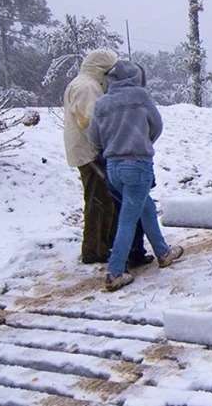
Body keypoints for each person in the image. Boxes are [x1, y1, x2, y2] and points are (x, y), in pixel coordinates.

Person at [88, 60, 184, 291]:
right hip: (137, 165)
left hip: (113, 167)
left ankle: (163, 253)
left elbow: (93, 137)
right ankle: (115, 271)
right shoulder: (140, 97)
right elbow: (157, 126)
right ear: (135, 77)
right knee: (129, 219)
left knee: (145, 208)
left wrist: (114, 145)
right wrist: (142, 141)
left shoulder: (102, 103)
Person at [63, 49, 150, 266]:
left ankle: (105, 245)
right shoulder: (88, 87)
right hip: (90, 152)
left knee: (105, 200)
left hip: (87, 149)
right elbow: (92, 122)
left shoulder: (85, 83)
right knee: (98, 201)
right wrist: (110, 144)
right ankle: (94, 250)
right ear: (102, 69)